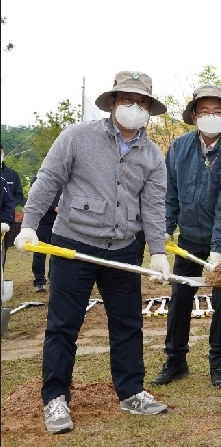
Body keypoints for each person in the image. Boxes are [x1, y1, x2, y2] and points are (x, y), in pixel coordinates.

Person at [13, 70, 171, 434]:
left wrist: (159, 251)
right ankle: (55, 398)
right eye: (128, 100)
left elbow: (153, 206)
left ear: (149, 109)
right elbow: (47, 179)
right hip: (74, 245)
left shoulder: (151, 155)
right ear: (113, 102)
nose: (135, 108)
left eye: (142, 102)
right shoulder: (76, 137)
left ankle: (131, 392)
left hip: (122, 250)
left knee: (128, 324)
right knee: (64, 326)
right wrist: (29, 226)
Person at [152, 84, 221, 389]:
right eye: (205, 111)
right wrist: (165, 231)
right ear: (194, 115)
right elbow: (170, 195)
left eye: (217, 111)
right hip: (189, 238)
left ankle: (218, 362)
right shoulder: (179, 148)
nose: (211, 116)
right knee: (180, 296)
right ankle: (175, 360)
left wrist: (218, 251)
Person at [29, 176, 62, 293]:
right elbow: (37, 198)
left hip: (60, 224)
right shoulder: (39, 178)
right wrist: (54, 208)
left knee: (57, 253)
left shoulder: (65, 179)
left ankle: (53, 280)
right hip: (43, 222)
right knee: (40, 253)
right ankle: (39, 281)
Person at [1, 144, 23, 267]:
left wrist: (8, 206)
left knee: (3, 250)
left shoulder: (12, 174)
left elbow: (19, 195)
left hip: (6, 221)